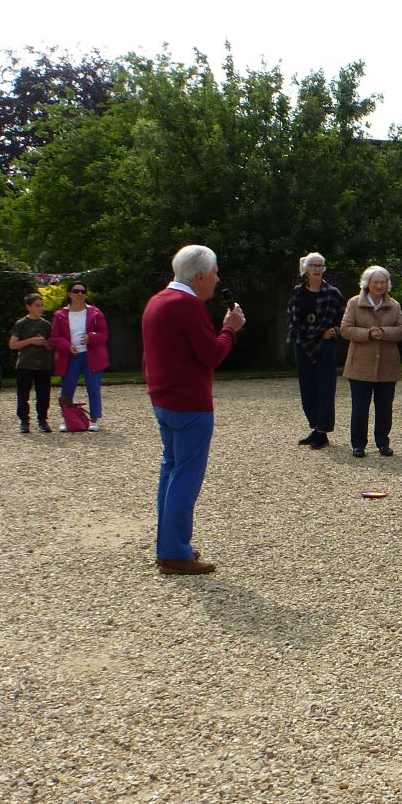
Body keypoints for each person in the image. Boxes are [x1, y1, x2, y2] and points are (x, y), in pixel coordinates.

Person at [141, 245, 245, 574]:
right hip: (189, 403)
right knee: (185, 477)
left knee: (170, 472)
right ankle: (174, 553)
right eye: (214, 274)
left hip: (164, 400)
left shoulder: (157, 301)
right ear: (200, 276)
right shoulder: (187, 305)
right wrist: (230, 328)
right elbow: (211, 354)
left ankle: (168, 545)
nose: (216, 281)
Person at [339, 266, 402, 459]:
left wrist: (384, 332)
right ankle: (358, 445)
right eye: (375, 282)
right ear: (367, 283)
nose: (379, 285)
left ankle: (383, 443)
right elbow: (345, 329)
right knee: (360, 408)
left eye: (383, 282)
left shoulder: (394, 305)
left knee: (384, 408)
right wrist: (368, 333)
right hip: (360, 366)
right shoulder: (353, 303)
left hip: (387, 366)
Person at [286, 252, 344, 449]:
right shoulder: (297, 292)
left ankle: (322, 432)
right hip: (302, 343)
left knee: (326, 389)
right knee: (308, 389)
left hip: (326, 346)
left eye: (320, 265)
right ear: (306, 270)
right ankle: (315, 426)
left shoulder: (333, 293)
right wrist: (313, 334)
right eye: (313, 266)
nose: (317, 269)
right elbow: (292, 317)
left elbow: (344, 319)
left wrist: (333, 331)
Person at [52, 282, 111, 429]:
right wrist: (67, 346)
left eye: (83, 291)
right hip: (70, 355)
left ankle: (95, 420)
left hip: (91, 355)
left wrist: (91, 337)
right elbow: (55, 337)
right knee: (67, 388)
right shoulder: (60, 315)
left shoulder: (96, 313)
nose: (80, 294)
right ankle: (67, 419)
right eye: (76, 291)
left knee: (93, 388)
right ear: (69, 294)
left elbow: (104, 334)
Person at [9, 290, 55, 434]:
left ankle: (42, 420)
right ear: (28, 307)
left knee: (43, 394)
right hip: (25, 364)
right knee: (23, 394)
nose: (40, 308)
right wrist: (30, 341)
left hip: (43, 365)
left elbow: (52, 346)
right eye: (37, 305)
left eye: (41, 305)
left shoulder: (47, 325)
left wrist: (44, 343)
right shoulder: (21, 324)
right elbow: (12, 344)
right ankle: (24, 421)